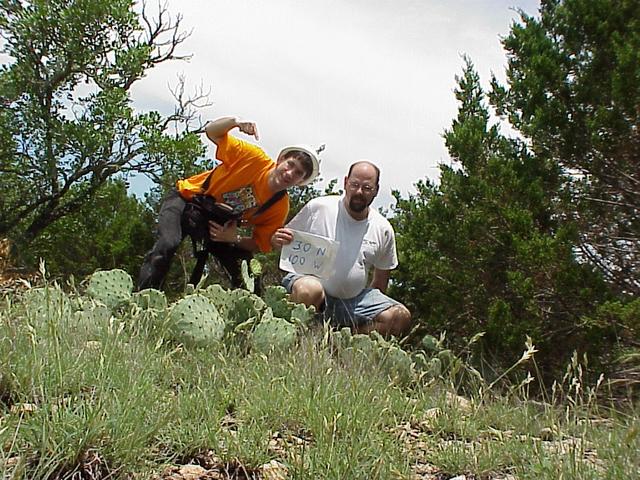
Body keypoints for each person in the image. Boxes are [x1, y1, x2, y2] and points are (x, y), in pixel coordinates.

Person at [137, 116, 320, 291]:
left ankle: (249, 321)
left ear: (300, 182)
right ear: (280, 160)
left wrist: (234, 238)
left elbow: (259, 243)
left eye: (298, 174)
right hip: (187, 199)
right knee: (167, 244)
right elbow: (212, 132)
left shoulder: (279, 206)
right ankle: (143, 299)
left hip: (218, 226)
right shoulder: (252, 157)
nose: (289, 174)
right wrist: (235, 123)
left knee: (247, 273)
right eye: (290, 165)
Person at [271, 161, 411, 337]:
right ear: (345, 182)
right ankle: (295, 337)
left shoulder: (383, 229)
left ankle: (339, 340)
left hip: (353, 303)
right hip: (310, 289)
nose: (359, 192)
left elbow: (380, 283)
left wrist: (369, 313)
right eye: (355, 185)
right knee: (309, 289)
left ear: (376, 190)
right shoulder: (319, 207)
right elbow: (284, 242)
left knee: (400, 317)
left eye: (367, 187)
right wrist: (277, 240)